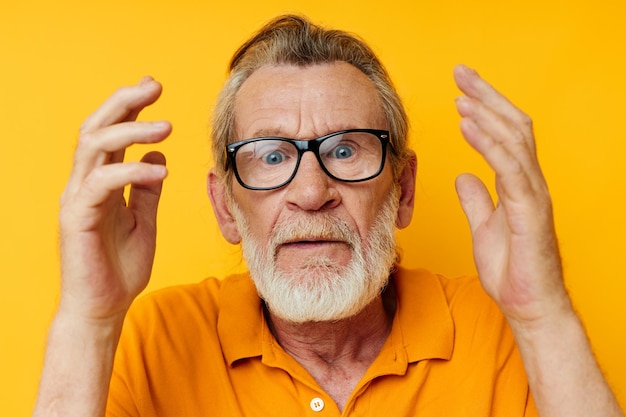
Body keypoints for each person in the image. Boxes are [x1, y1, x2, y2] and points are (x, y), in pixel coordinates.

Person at [33, 15, 623, 417]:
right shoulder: (156, 338)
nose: (312, 192)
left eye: (345, 150)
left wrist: (543, 315)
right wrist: (88, 320)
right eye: (270, 155)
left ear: (404, 189)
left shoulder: (496, 332)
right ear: (225, 207)